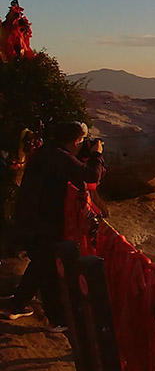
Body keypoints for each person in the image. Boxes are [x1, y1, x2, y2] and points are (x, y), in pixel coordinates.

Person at [0, 121, 105, 332]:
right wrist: (97, 155)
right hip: (42, 224)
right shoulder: (60, 158)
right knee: (48, 268)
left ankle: (18, 303)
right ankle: (56, 320)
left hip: (27, 219)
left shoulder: (47, 151)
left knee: (41, 263)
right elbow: (92, 175)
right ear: (76, 141)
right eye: (82, 140)